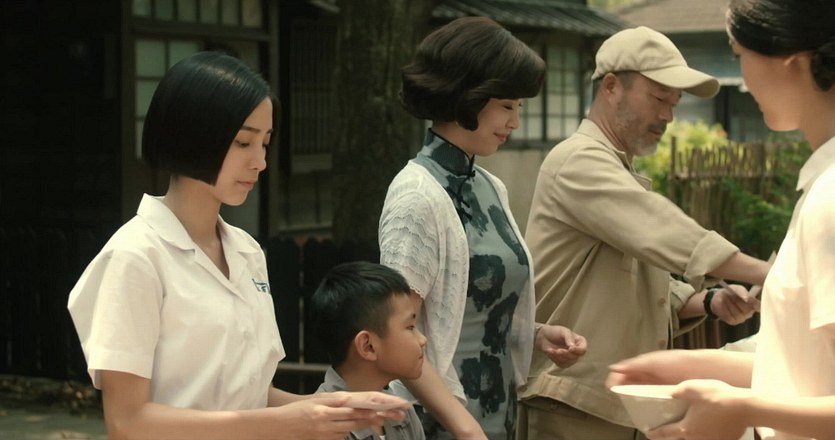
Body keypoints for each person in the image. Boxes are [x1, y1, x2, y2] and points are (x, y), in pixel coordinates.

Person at [67, 51, 408, 440]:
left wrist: (338, 407)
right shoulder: (136, 257)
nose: (260, 162)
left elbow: (250, 397)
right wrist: (288, 422)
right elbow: (128, 423)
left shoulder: (247, 251)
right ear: (192, 135)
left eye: (265, 143)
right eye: (244, 142)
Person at [517, 26, 773, 439]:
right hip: (571, 403)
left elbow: (634, 285)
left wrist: (708, 302)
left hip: (613, 402)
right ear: (611, 87)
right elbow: (660, 229)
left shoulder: (618, 167)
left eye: (675, 103)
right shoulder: (578, 161)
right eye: (658, 98)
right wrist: (771, 274)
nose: (668, 116)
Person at [607, 1, 835, 439]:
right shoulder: (821, 185)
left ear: (790, 60)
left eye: (738, 55)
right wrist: (690, 365)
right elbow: (806, 368)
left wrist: (741, 408)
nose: (743, 79)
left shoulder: (830, 196)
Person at [378, 16, 587, 440]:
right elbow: (397, 334)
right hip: (442, 422)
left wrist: (537, 334)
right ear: (466, 96)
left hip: (498, 413)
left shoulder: (490, 188)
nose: (515, 122)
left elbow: (472, 307)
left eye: (519, 108)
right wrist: (465, 428)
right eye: (507, 106)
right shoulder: (417, 196)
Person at [310, 261, 427, 440]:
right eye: (410, 327)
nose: (422, 340)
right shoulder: (320, 425)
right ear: (368, 346)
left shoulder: (402, 413)